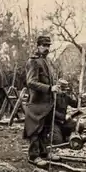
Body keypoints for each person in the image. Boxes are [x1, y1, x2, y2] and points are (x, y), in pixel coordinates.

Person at [23, 35, 62, 163]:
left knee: (45, 128)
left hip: (46, 102)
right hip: (36, 102)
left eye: (48, 46)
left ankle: (44, 153)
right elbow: (31, 82)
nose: (46, 48)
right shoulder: (33, 61)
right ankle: (33, 156)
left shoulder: (46, 61)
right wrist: (50, 88)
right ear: (38, 46)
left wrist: (55, 87)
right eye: (44, 45)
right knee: (35, 129)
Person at [51, 79, 81, 145]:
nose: (64, 91)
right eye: (62, 89)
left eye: (65, 90)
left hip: (63, 122)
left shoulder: (65, 96)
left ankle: (65, 135)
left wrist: (77, 97)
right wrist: (64, 117)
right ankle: (51, 135)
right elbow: (50, 111)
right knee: (58, 142)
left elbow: (75, 104)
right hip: (53, 122)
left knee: (80, 126)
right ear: (58, 88)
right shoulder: (51, 97)